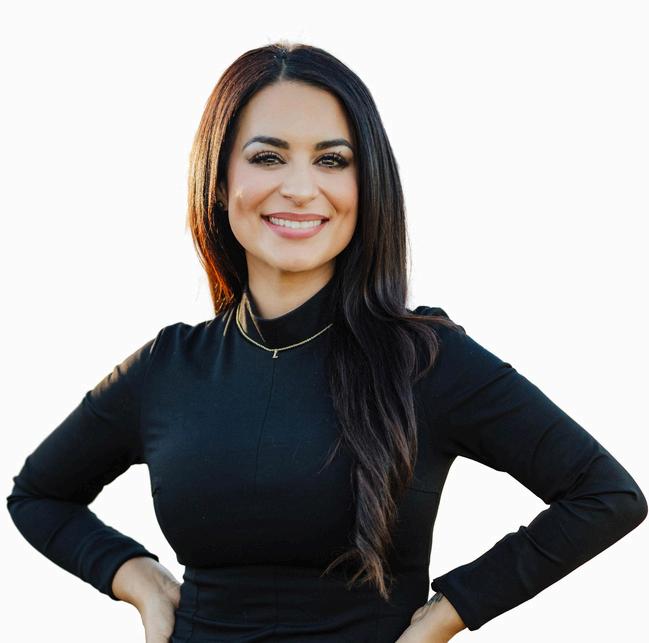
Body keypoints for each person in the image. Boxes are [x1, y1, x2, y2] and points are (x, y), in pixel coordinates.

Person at [6, 41, 647, 643]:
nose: (300, 187)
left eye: (332, 160)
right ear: (220, 181)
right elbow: (38, 496)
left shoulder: (427, 359)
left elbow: (605, 496)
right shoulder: (167, 368)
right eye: (268, 157)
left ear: (366, 186)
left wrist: (447, 614)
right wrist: (139, 580)